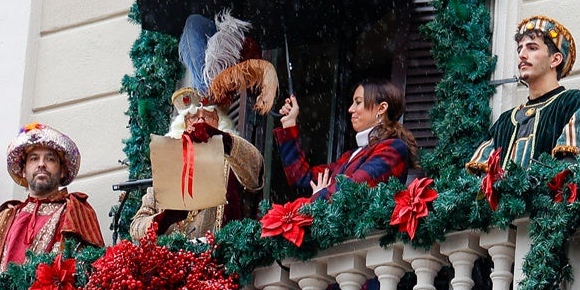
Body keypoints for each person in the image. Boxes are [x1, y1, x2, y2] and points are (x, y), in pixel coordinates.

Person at [0, 124, 104, 271]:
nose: (41, 164)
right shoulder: (6, 216)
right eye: (34, 159)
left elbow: (91, 269)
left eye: (50, 159)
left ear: (62, 171)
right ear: (23, 171)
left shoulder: (75, 212)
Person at [467, 15, 580, 172]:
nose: (522, 55)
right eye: (520, 49)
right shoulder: (504, 122)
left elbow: (575, 172)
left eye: (532, 48)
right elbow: (477, 183)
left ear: (555, 59)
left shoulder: (573, 103)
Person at [130, 88, 264, 239]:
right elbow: (136, 227)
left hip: (220, 258)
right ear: (183, 125)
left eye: (208, 116)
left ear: (220, 123)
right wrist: (163, 220)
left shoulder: (233, 163)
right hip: (175, 259)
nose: (201, 121)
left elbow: (254, 167)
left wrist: (221, 139)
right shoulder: (167, 173)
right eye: (193, 117)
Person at [275, 79, 417, 200]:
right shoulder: (349, 157)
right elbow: (302, 179)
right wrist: (289, 124)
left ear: (381, 108)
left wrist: (318, 198)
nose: (350, 109)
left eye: (358, 102)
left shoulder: (393, 148)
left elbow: (351, 190)